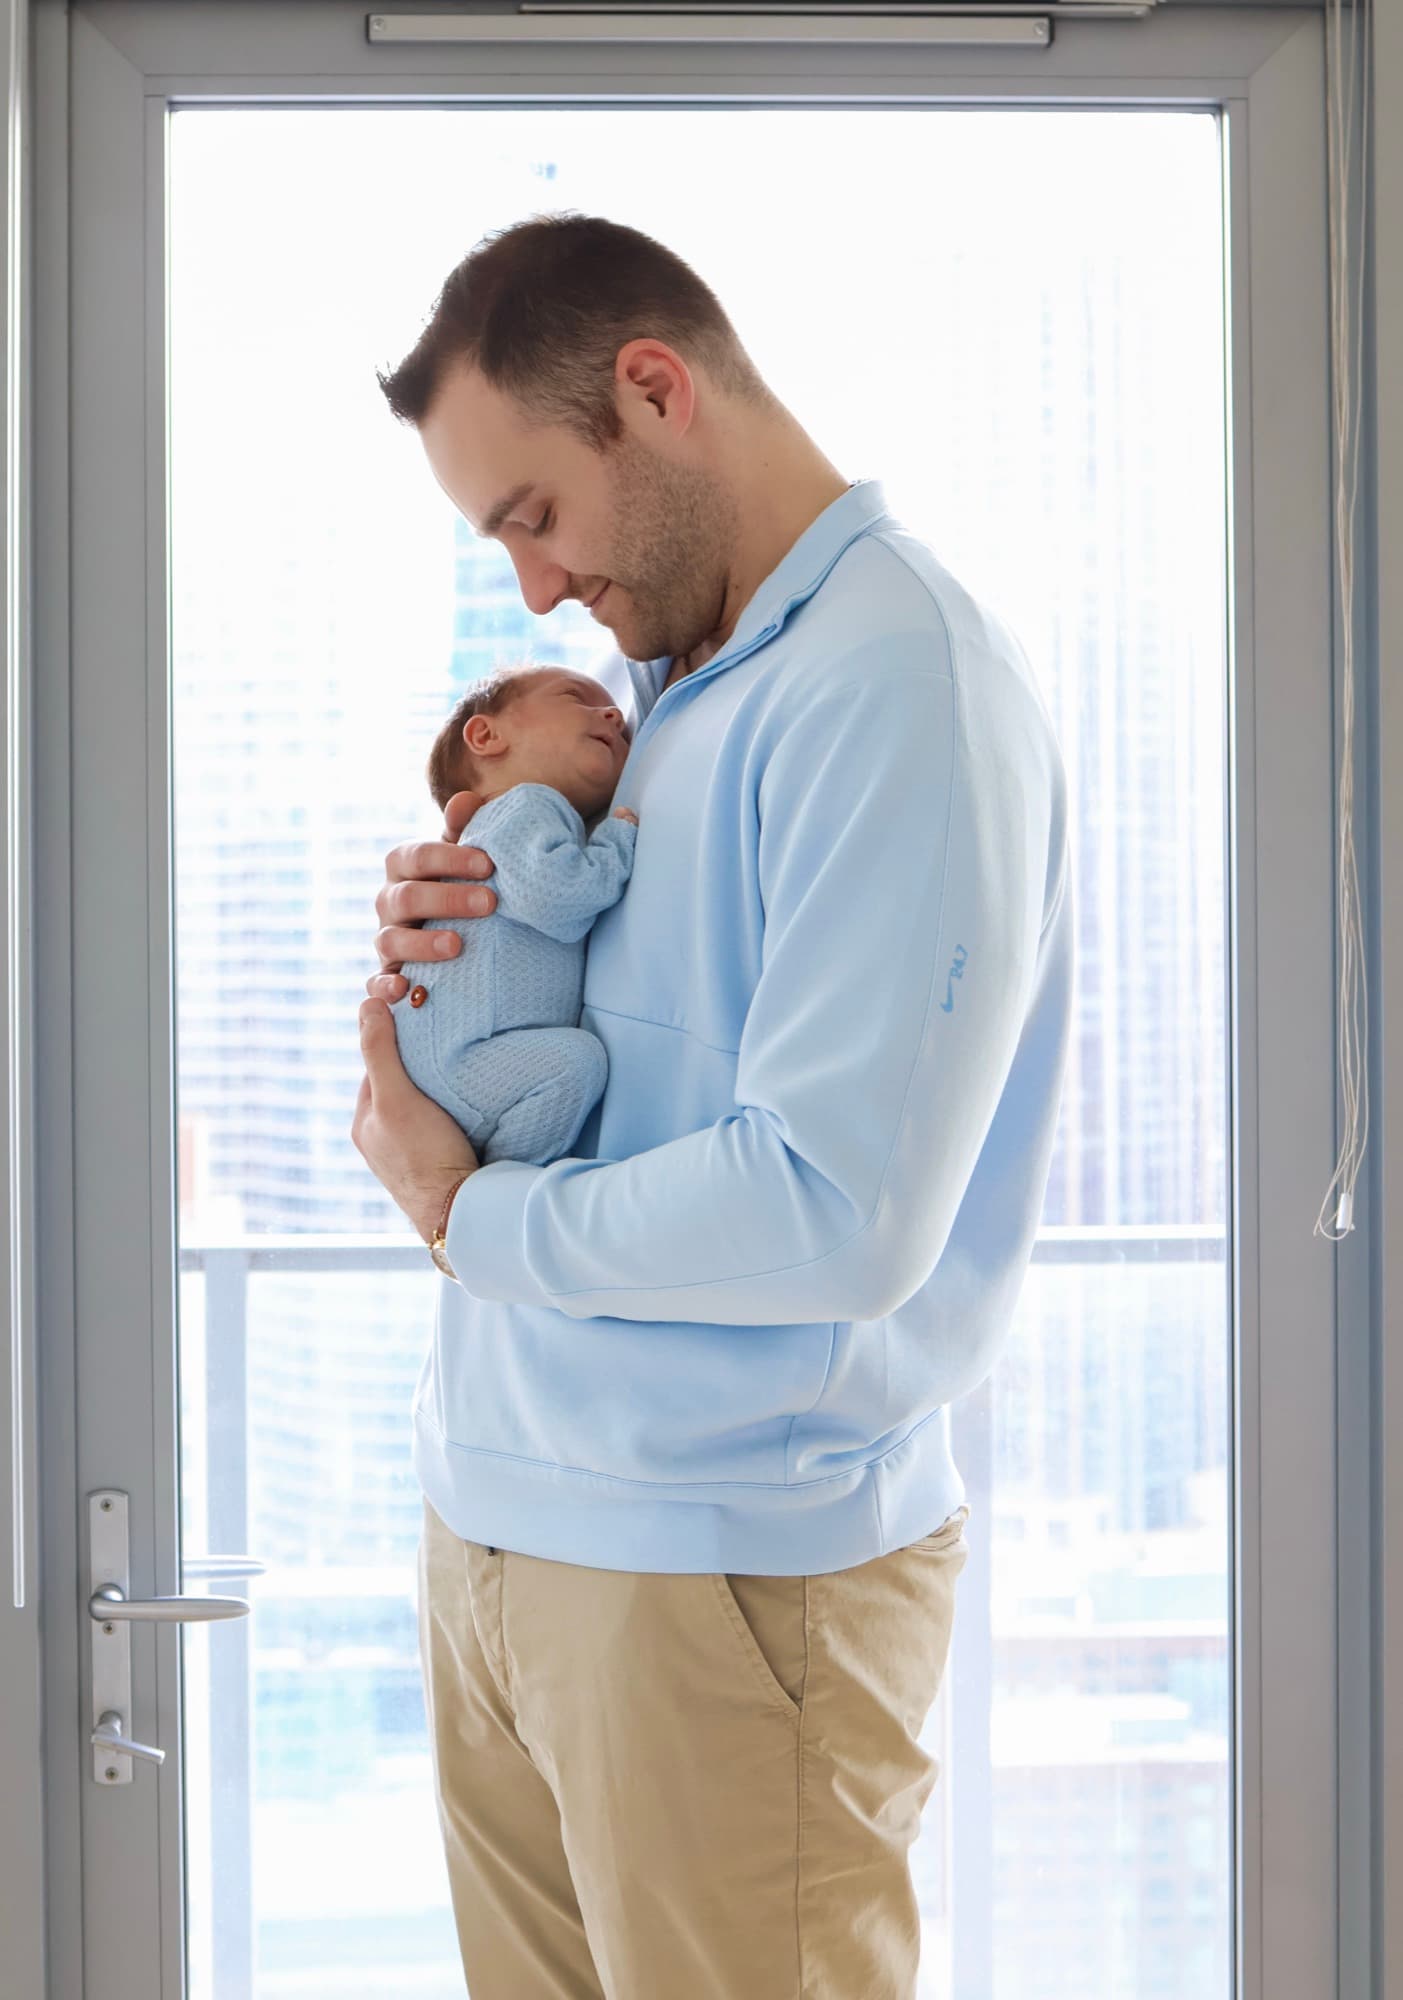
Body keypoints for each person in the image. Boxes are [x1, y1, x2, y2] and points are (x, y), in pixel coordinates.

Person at [352, 213, 1073, 2000]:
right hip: (511, 1524)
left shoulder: (892, 680)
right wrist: (459, 950)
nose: (529, 589)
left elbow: (834, 1211)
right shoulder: (664, 698)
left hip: (717, 1581)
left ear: (652, 391)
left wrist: (469, 1217)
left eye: (532, 516)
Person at [390, 664, 640, 1168]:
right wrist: (616, 840)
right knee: (576, 1064)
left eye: (625, 728)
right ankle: (495, 1193)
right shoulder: (525, 803)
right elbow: (558, 899)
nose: (613, 714)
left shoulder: (525, 824)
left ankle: (489, 1199)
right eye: (576, 698)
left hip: (459, 1054)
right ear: (486, 734)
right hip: (467, 1056)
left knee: (573, 1064)